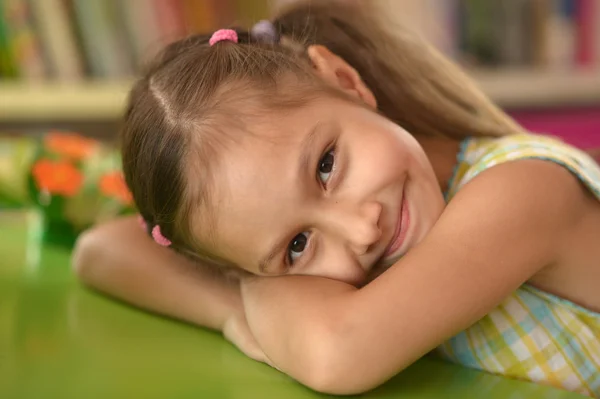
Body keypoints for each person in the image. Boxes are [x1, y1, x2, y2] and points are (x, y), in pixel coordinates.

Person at [72, 1, 600, 396]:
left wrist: (258, 294)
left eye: (326, 165)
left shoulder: (524, 191)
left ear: (345, 79)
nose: (361, 230)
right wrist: (235, 309)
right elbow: (101, 248)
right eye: (298, 244)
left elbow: (335, 353)